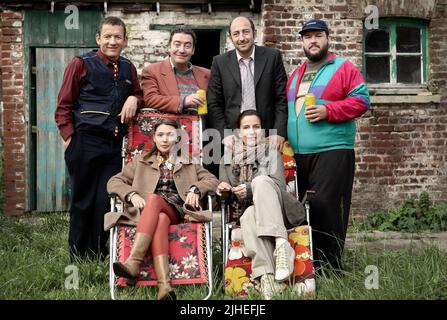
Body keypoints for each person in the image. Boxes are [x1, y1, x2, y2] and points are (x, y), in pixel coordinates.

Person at [55, 16, 144, 260]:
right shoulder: (81, 63)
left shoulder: (128, 67)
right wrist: (69, 138)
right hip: (84, 142)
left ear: (125, 40)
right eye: (108, 36)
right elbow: (63, 105)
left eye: (117, 37)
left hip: (114, 146)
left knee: (105, 200)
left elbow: (138, 92)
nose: (112, 41)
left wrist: (134, 98)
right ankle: (77, 254)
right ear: (98, 39)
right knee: (82, 200)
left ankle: (98, 252)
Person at [286, 19, 371, 271]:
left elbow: (362, 101)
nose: (313, 41)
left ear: (327, 38)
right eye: (307, 36)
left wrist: (328, 110)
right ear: (302, 41)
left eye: (318, 35)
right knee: (301, 209)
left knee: (327, 206)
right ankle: (307, 264)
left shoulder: (343, 67)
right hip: (299, 154)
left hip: (332, 150)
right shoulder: (297, 72)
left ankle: (330, 267)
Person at [107, 118, 219, 300]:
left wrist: (195, 189)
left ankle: (134, 262)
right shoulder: (141, 161)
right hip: (148, 214)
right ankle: (164, 287)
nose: (165, 139)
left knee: (153, 199)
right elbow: (114, 181)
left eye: (170, 135)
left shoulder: (188, 161)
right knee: (160, 219)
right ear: (154, 139)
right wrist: (131, 194)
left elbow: (212, 180)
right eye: (160, 135)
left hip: (177, 210)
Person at [216, 110, 305, 300]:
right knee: (248, 216)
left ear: (263, 131)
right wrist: (224, 189)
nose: (251, 131)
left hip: (279, 209)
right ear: (238, 132)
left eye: (256, 127)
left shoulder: (272, 154)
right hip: (249, 211)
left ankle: (282, 244)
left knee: (261, 181)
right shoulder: (226, 160)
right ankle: (268, 278)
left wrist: (249, 188)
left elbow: (279, 187)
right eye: (246, 127)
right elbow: (227, 199)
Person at [207, 16, 288, 150]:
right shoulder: (220, 63)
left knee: (269, 170)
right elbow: (213, 102)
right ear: (230, 37)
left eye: (246, 32)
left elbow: (282, 98)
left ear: (254, 33)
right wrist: (224, 134)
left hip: (267, 135)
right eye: (236, 33)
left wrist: (278, 131)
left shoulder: (272, 57)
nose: (242, 38)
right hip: (233, 137)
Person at [141, 28, 210, 114]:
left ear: (193, 50)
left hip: (202, 125)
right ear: (169, 47)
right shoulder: (152, 71)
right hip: (168, 125)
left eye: (187, 46)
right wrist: (184, 101)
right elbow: (150, 99)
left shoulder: (207, 74)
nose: (181, 50)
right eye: (177, 44)